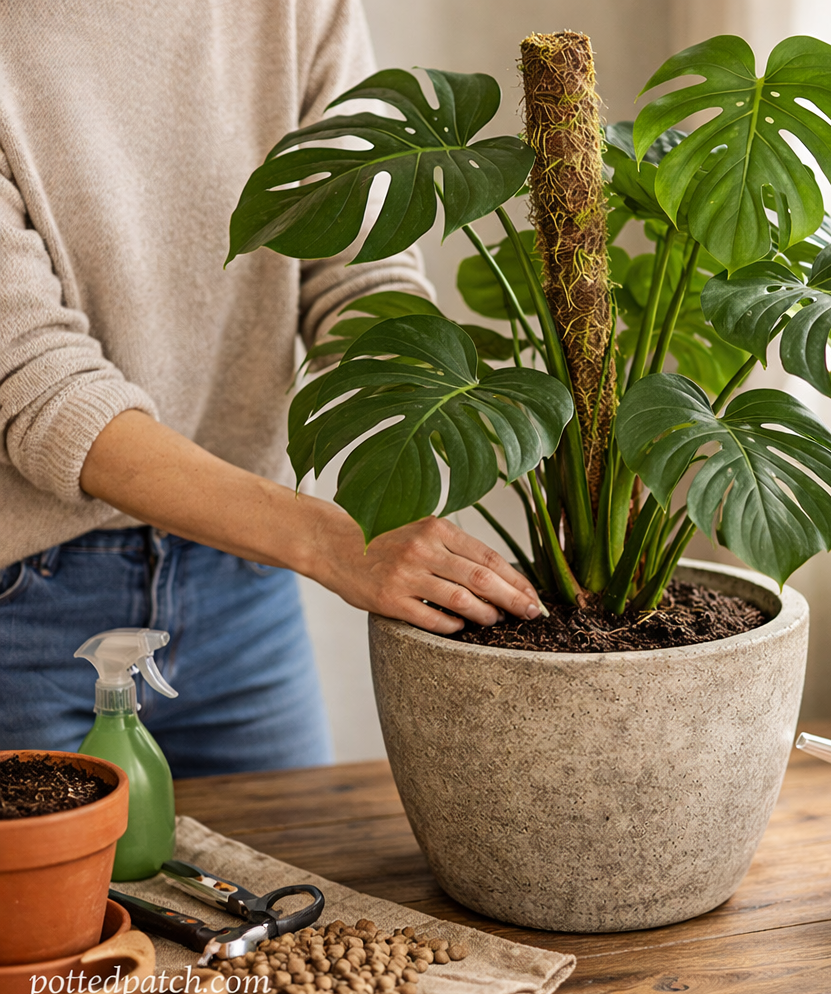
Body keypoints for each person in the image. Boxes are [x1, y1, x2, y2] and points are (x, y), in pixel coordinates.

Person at [0, 0, 542, 776]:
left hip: (242, 586)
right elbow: (39, 389)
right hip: (27, 605)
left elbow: (361, 267)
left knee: (289, 890)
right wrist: (333, 541)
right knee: (65, 903)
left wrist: (412, 441)